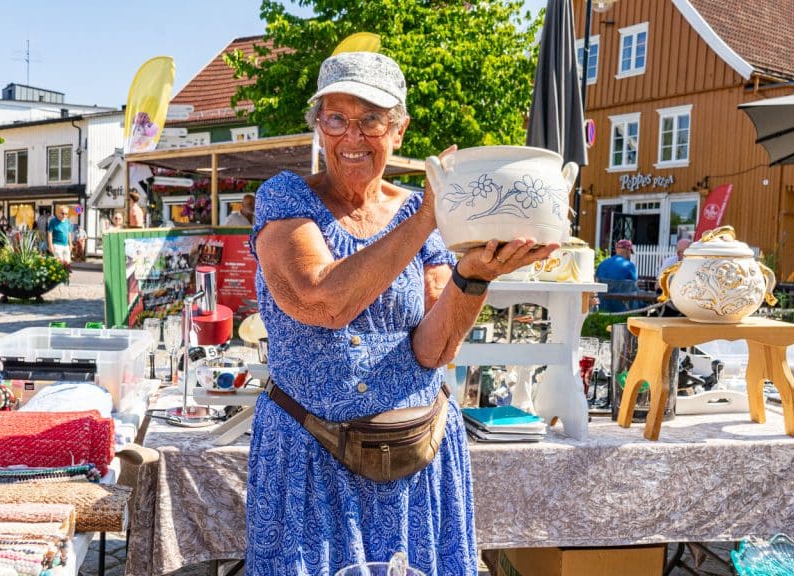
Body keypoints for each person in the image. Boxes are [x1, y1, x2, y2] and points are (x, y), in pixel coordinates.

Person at [248, 51, 556, 576]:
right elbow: (323, 301)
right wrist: (428, 216)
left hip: (416, 454)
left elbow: (433, 349)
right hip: (310, 457)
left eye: (371, 120)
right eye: (336, 118)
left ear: (399, 130)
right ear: (318, 126)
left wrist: (474, 275)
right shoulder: (286, 198)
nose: (352, 136)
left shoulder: (424, 211)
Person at [596, 239, 639, 312]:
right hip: (623, 310)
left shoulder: (602, 264)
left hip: (603, 309)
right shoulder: (630, 266)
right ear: (628, 251)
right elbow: (634, 285)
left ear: (616, 250)